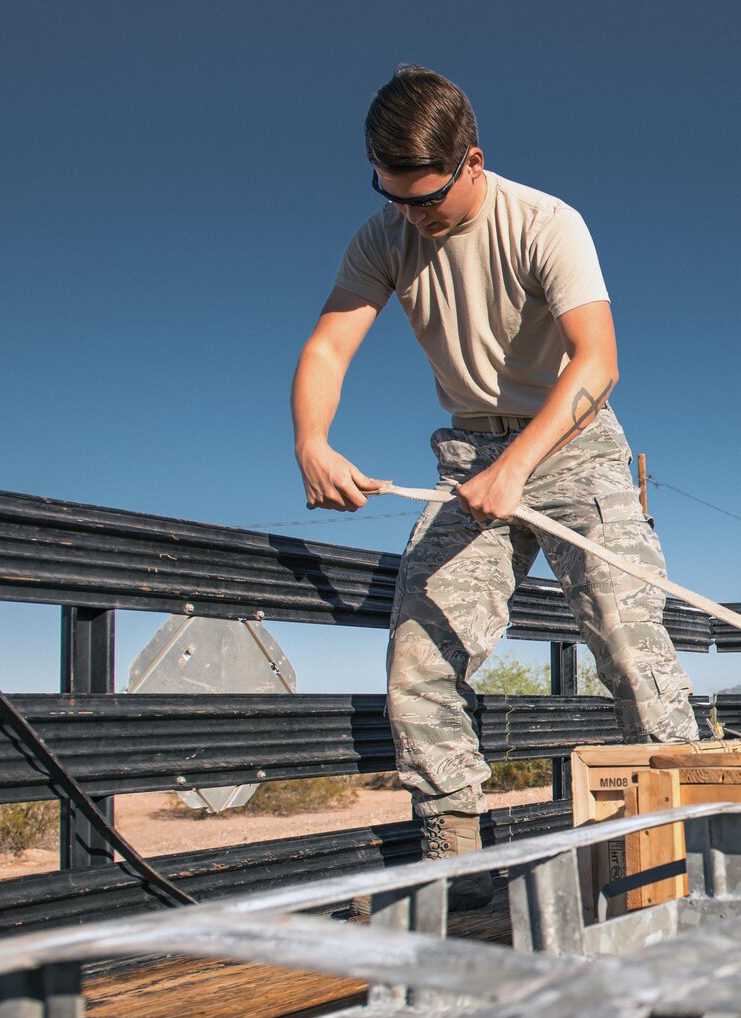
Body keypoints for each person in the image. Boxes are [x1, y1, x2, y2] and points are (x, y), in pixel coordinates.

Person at [291, 65, 698, 909]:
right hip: (466, 460)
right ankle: (452, 856)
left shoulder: (548, 223)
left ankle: (675, 853)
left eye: (426, 197)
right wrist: (312, 442)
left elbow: (600, 362)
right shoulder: (383, 239)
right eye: (391, 194)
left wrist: (520, 467)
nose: (411, 216)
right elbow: (329, 348)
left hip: (574, 445)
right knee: (420, 655)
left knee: (626, 642)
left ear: (471, 161)